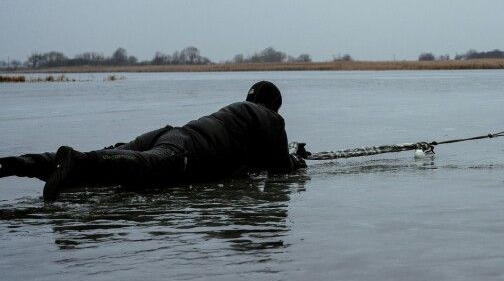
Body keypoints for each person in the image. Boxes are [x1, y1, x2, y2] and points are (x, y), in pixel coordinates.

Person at [0, 81, 306, 201]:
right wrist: (297, 161)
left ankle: (19, 163)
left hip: (170, 133)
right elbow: (278, 170)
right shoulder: (271, 119)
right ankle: (77, 162)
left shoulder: (236, 113)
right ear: (275, 105)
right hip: (189, 150)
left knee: (113, 153)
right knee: (145, 166)